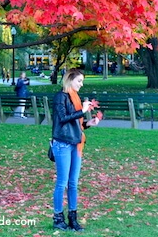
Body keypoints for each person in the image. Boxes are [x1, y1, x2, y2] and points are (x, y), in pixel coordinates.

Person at [50, 69, 99, 231]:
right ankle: (58, 218)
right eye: (79, 81)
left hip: (75, 143)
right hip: (62, 143)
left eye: (82, 81)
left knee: (73, 183)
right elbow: (63, 119)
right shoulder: (61, 97)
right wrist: (82, 111)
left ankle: (73, 218)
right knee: (62, 183)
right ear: (69, 80)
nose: (81, 84)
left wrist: (87, 124)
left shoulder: (76, 99)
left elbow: (75, 125)